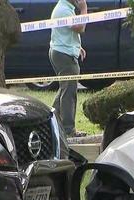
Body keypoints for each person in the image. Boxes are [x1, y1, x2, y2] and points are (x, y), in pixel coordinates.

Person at [49, 0, 87, 137]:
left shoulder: (64, 7)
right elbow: (80, 28)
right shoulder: (63, 10)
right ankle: (68, 129)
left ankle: (49, 121)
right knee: (69, 93)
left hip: (61, 50)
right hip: (64, 55)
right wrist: (84, 9)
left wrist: (77, 47)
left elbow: (64, 32)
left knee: (64, 88)